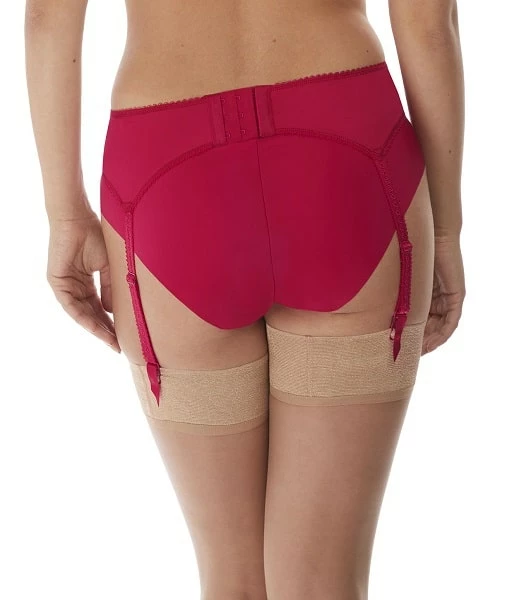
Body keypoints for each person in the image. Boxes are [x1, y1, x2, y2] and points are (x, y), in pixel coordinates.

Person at [25, 0, 465, 598]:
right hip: (345, 164)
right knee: (321, 582)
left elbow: (48, 15)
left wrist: (65, 215)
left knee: (231, 580)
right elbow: (428, 22)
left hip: (169, 179)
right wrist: (446, 231)